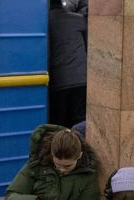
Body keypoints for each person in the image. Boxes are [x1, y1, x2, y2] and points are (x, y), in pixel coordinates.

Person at [48, 0, 87, 128]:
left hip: (59, 83)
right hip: (81, 80)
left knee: (60, 125)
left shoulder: (45, 22)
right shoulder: (79, 19)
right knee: (80, 123)